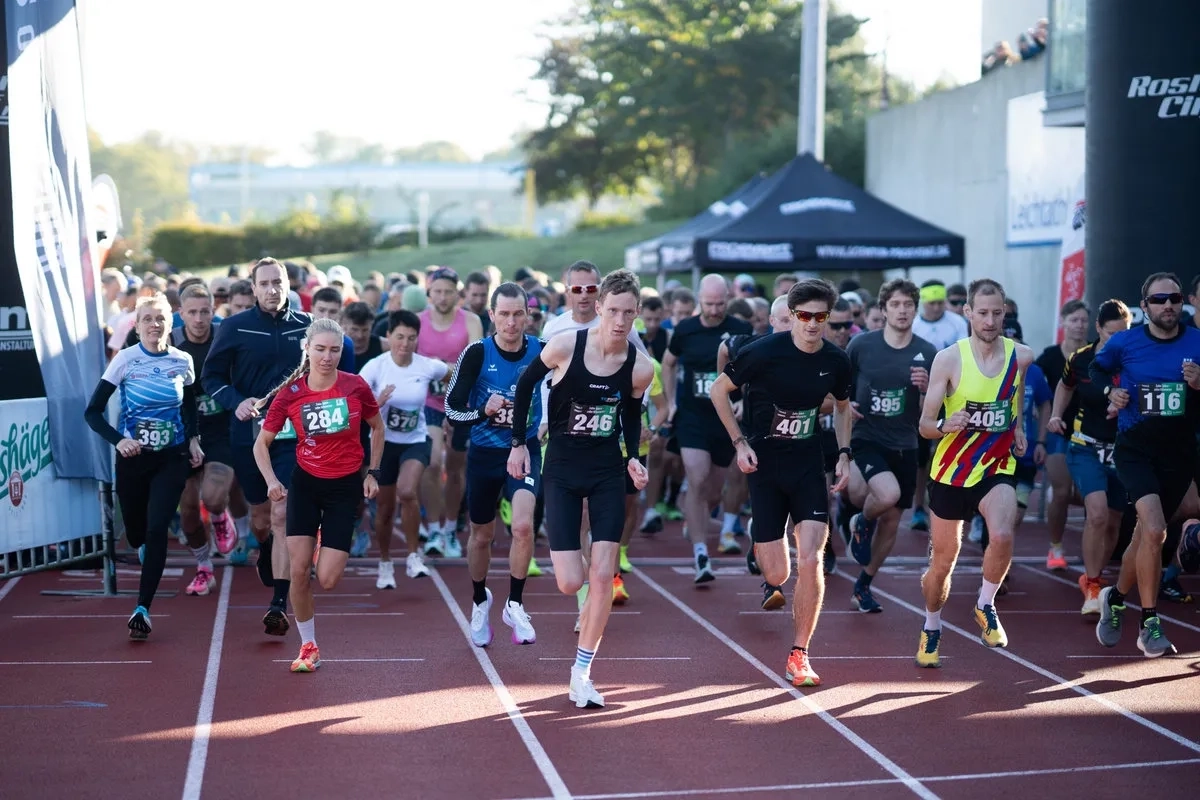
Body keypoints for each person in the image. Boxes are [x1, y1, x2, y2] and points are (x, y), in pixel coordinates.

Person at [507, 269, 654, 709]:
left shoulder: (639, 366)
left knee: (603, 572)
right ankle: (579, 652)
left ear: (637, 313)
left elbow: (629, 413)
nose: (620, 320)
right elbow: (525, 385)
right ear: (600, 308)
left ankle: (581, 672)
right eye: (613, 310)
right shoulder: (566, 346)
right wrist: (520, 443)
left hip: (608, 470)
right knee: (571, 583)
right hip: (564, 470)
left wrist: (633, 457)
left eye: (629, 313)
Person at [711, 279, 853, 687]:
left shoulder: (836, 360)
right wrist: (739, 443)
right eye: (804, 316)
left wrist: (844, 453)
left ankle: (799, 652)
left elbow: (842, 407)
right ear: (791, 316)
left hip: (809, 462)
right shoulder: (762, 352)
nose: (812, 324)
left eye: (820, 317)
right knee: (778, 574)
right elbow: (719, 392)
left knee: (811, 559)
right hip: (765, 464)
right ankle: (766, 557)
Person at [201, 257, 353, 637]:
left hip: (297, 438)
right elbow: (210, 376)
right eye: (264, 283)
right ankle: (267, 548)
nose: (272, 289)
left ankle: (278, 603)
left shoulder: (306, 326)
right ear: (252, 288)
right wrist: (235, 400)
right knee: (261, 517)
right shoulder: (236, 327)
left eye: (278, 282)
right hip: (251, 437)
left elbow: (339, 355)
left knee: (283, 511)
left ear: (289, 285)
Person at [254, 318, 384, 672]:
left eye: (335, 350)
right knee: (298, 571)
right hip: (306, 485)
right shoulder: (291, 394)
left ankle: (326, 535)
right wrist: (270, 480)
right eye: (321, 349)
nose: (327, 357)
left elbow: (376, 427)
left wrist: (372, 472)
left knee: (326, 579)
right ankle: (308, 645)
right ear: (307, 349)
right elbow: (261, 444)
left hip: (344, 488)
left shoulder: (355, 386)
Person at [916, 279, 1033, 668]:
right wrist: (947, 424)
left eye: (997, 313)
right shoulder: (949, 359)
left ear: (1005, 313)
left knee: (1001, 533)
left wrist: (1018, 429)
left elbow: (1015, 394)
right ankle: (932, 624)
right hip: (951, 472)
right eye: (982, 313)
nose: (990, 320)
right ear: (967, 313)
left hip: (996, 467)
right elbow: (925, 425)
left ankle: (985, 604)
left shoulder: (1021, 356)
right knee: (943, 564)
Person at [1089, 273, 1200, 658]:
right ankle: (1149, 621)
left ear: (1183, 302)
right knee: (1154, 529)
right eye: (1158, 300)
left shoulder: (1197, 342)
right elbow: (1096, 369)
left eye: (1174, 298)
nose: (1167, 305)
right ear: (1145, 306)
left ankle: (1116, 599)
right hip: (1135, 448)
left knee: (1146, 536)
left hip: (1179, 453)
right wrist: (1111, 391)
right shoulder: (1125, 342)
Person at [84, 295, 204, 639]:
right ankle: (142, 551)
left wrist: (193, 438)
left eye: (160, 318)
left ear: (170, 323)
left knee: (156, 528)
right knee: (137, 533)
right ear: (136, 326)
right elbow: (92, 412)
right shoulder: (125, 360)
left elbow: (190, 403)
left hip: (172, 457)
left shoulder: (182, 360)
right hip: (133, 459)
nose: (154, 324)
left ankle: (142, 608)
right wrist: (119, 440)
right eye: (147, 319)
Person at [445, 282, 544, 646]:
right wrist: (480, 411)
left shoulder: (543, 351)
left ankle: (514, 604)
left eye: (519, 314)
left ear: (528, 316)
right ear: (492, 316)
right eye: (504, 314)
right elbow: (452, 409)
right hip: (484, 454)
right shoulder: (476, 353)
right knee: (481, 535)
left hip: (526, 450)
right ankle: (479, 599)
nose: (512, 322)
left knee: (522, 527)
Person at [844, 279, 939, 613]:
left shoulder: (928, 353)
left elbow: (937, 408)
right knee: (884, 496)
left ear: (916, 309)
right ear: (883, 309)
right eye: (895, 305)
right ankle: (860, 521)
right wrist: (845, 405)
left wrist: (928, 388)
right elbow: (841, 387)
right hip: (868, 437)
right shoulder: (861, 346)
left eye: (908, 305)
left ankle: (863, 585)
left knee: (892, 520)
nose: (902, 311)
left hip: (906, 443)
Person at [662, 274, 753, 581]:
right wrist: (672, 400)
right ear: (699, 300)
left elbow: (753, 370)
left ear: (727, 299)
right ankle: (701, 553)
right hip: (693, 416)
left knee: (714, 489)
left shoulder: (741, 330)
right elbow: (668, 361)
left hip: (725, 418)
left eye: (720, 303)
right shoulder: (685, 329)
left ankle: (695, 515)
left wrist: (744, 400)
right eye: (709, 303)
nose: (714, 310)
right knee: (697, 478)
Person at [1048, 299, 1132, 614]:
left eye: (1125, 333)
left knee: (1113, 522)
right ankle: (1094, 584)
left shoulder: (1135, 358)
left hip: (1124, 449)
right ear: (1098, 329)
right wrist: (1056, 415)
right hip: (1085, 444)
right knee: (1095, 513)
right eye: (1112, 334)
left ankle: (1090, 576)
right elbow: (1064, 385)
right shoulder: (1081, 359)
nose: (1119, 340)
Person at [358, 310, 445, 587]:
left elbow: (454, 372)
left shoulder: (426, 366)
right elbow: (354, 398)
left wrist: (457, 406)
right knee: (384, 510)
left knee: (407, 491)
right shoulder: (376, 366)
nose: (405, 344)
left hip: (415, 441)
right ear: (388, 336)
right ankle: (385, 562)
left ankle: (412, 555)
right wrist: (377, 400)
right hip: (384, 445)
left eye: (411, 338)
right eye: (399, 337)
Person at [172, 285, 249, 594]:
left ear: (213, 311)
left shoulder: (225, 337)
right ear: (181, 314)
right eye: (192, 312)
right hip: (185, 432)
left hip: (222, 432)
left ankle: (220, 516)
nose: (199, 318)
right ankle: (204, 566)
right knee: (188, 511)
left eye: (205, 311)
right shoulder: (172, 343)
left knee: (214, 497)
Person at [418, 268, 483, 559]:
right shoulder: (418, 322)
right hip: (429, 404)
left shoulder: (470, 321)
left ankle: (450, 531)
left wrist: (447, 372)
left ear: (458, 293)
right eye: (437, 291)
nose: (443, 297)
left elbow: (476, 362)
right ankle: (432, 528)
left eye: (448, 291)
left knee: (456, 470)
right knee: (431, 465)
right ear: (429, 292)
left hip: (462, 406)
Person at [910, 280, 971, 533]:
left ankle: (956, 501)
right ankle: (917, 508)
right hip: (924, 394)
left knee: (954, 448)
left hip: (953, 393)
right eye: (931, 302)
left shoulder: (956, 323)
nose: (936, 307)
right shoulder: (914, 324)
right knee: (921, 455)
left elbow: (965, 357)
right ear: (923, 302)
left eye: (940, 302)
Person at [1036, 300, 1091, 570]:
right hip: (1059, 432)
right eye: (1074, 320)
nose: (1079, 325)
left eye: (1083, 320)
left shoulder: (1095, 355)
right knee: (1060, 491)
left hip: (1091, 433)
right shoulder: (1049, 357)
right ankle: (1055, 547)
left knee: (1089, 495)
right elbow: (1031, 386)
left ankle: (1090, 547)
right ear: (1063, 323)